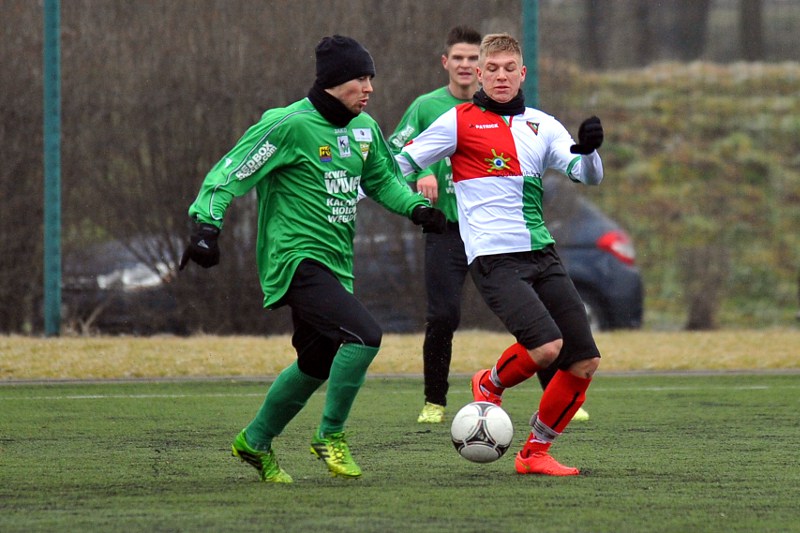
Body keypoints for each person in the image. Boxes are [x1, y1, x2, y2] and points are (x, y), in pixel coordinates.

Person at [180, 35, 446, 483]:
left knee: (316, 361)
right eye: (361, 78)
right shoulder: (289, 124)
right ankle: (330, 435)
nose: (370, 88)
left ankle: (254, 441)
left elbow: (383, 181)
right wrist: (207, 226)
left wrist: (416, 209)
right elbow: (230, 173)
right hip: (294, 258)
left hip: (336, 263)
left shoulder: (365, 129)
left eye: (371, 79)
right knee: (365, 335)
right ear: (334, 81)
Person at [396, 33, 604, 476]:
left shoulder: (542, 125)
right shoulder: (457, 121)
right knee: (545, 348)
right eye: (492, 69)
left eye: (509, 68)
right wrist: (396, 197)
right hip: (494, 258)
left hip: (541, 253)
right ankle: (489, 383)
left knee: (584, 362)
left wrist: (589, 152)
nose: (501, 76)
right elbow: (398, 165)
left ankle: (535, 454)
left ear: (522, 73)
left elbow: (586, 175)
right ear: (479, 74)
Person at [387, 25, 482, 424]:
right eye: (458, 57)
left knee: (527, 311)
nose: (465, 64)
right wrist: (421, 169)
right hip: (445, 230)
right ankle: (434, 401)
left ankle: (557, 395)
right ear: (446, 62)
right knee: (443, 316)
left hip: (490, 229)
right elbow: (391, 154)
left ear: (484, 65)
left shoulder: (495, 106)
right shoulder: (426, 106)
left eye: (473, 58)